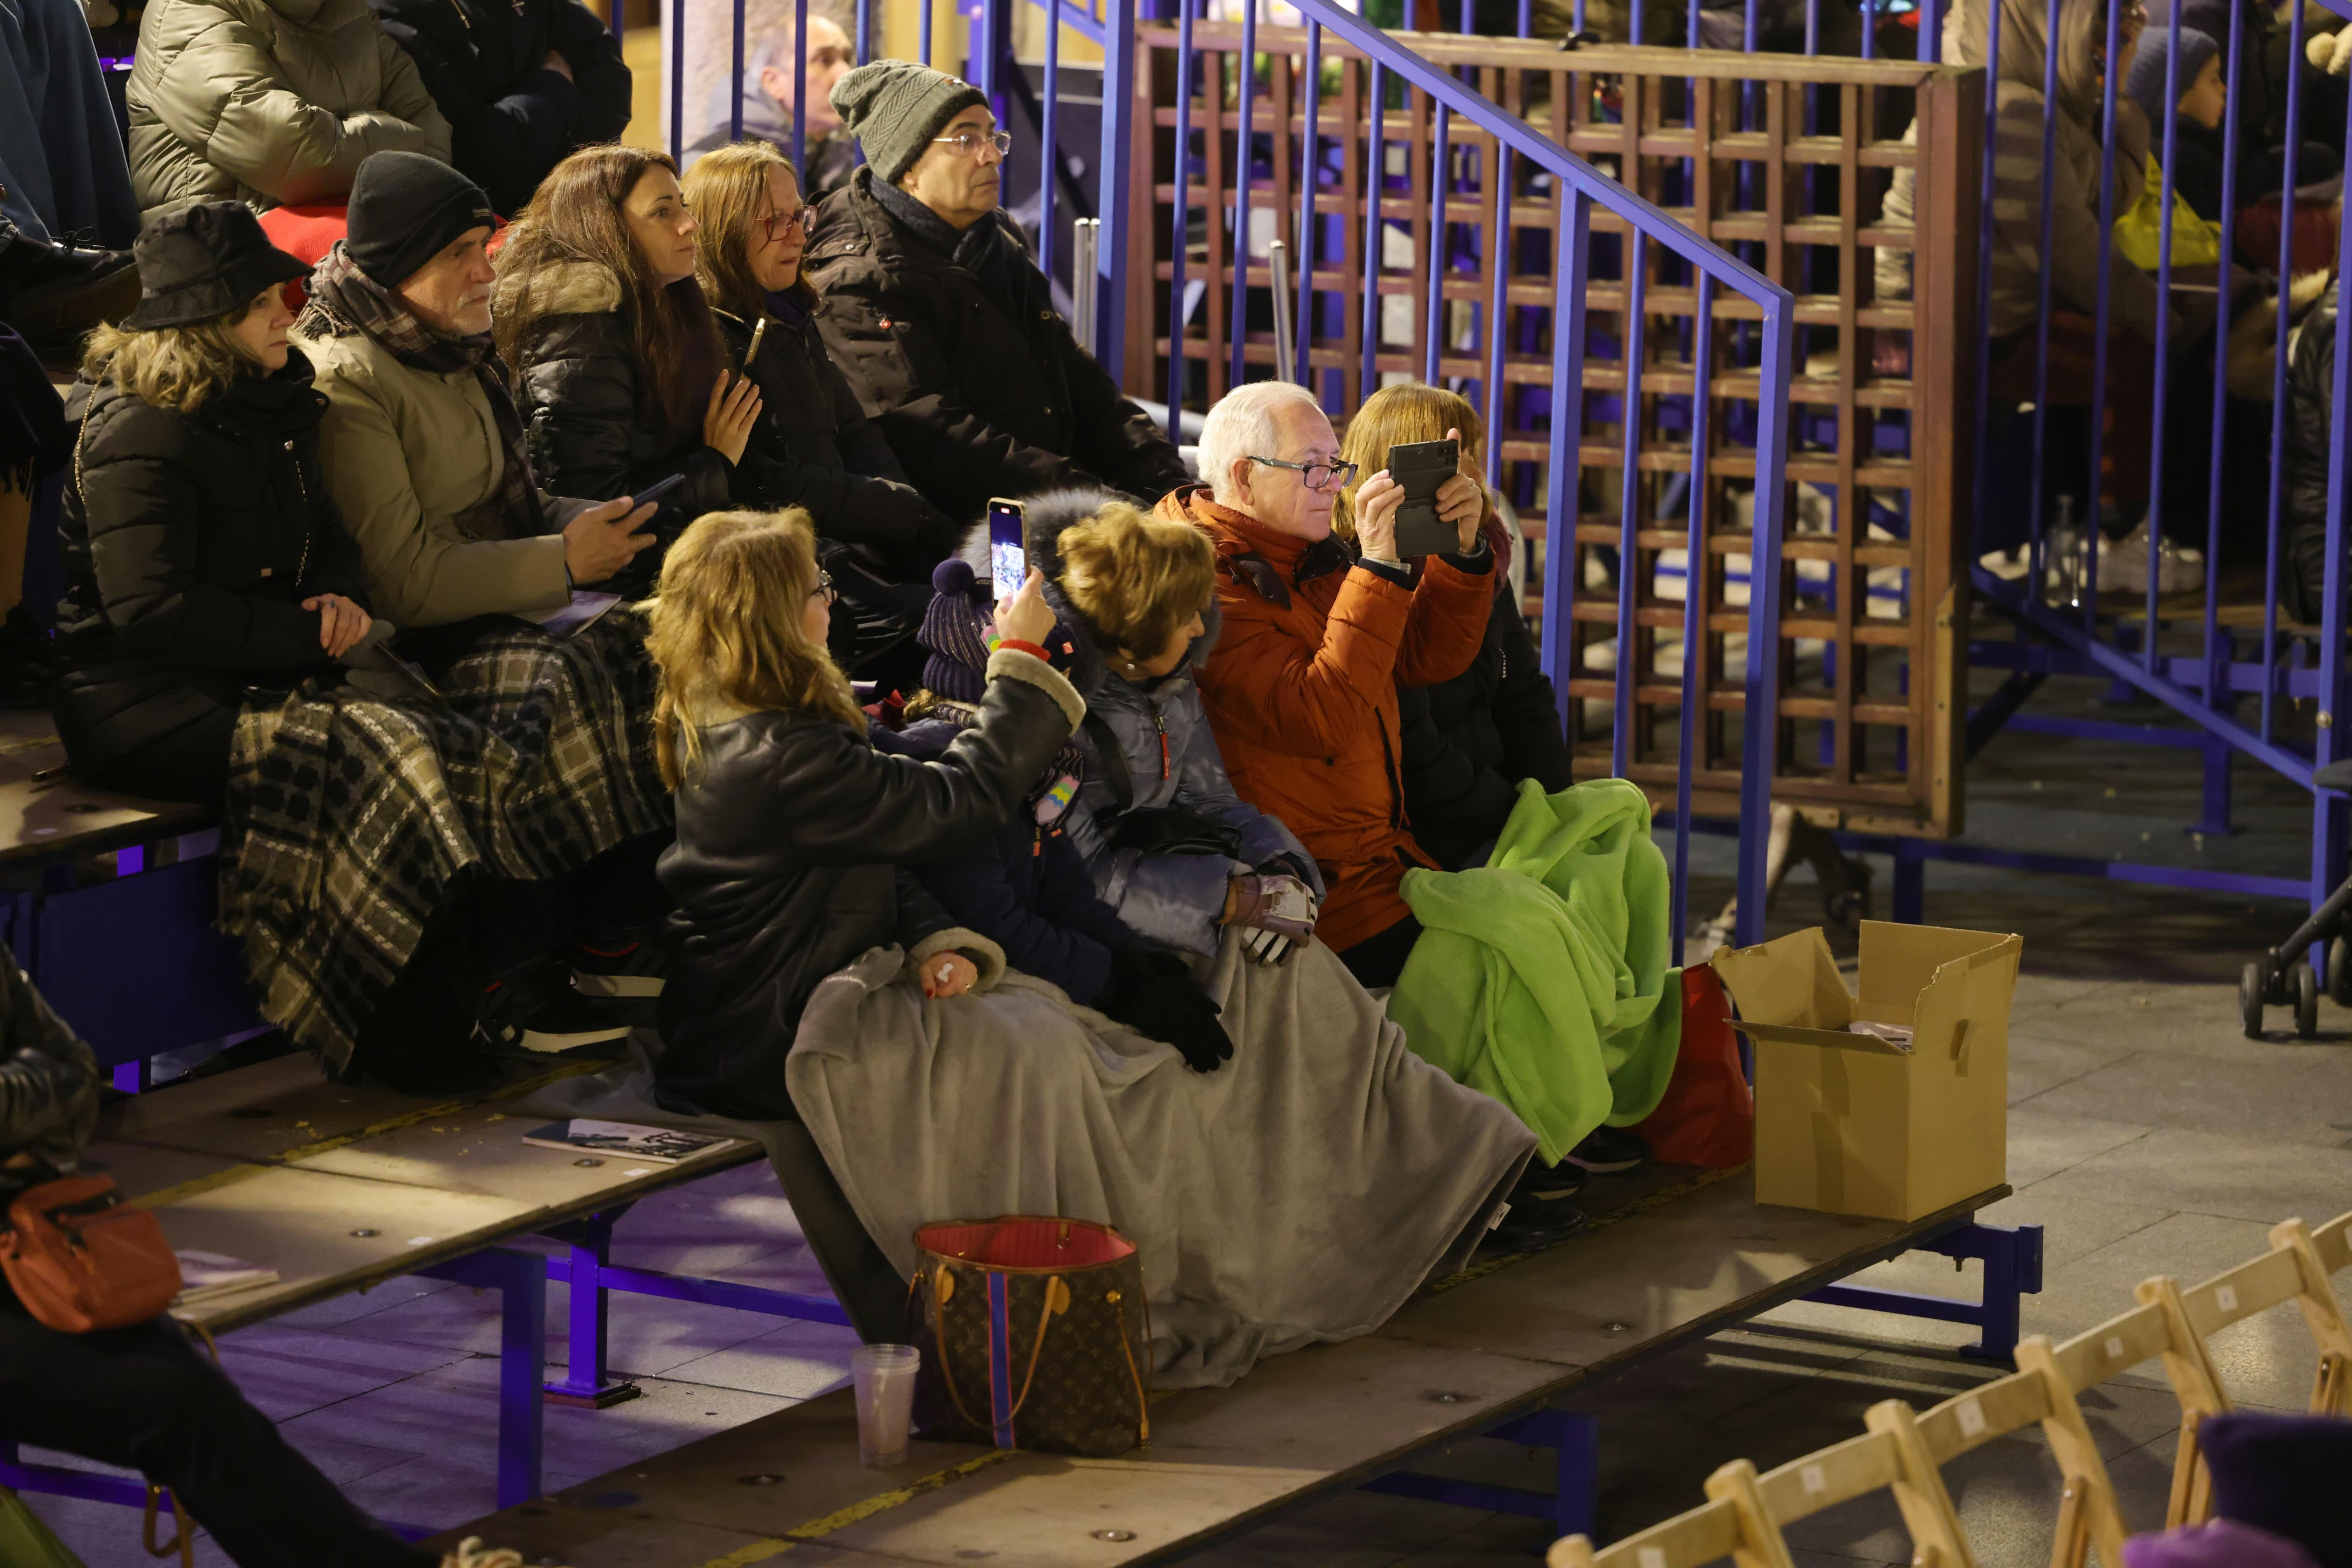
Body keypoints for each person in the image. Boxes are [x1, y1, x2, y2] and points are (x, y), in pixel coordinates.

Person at [645, 507, 1541, 1384]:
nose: (830, 600)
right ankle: (1065, 1305)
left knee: (1232, 991)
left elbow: (898, 861)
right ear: (767, 616)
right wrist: (1022, 670)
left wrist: (943, 941)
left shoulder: (801, 726)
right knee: (1046, 1051)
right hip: (778, 1029)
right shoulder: (774, 747)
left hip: (852, 975)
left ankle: (1423, 1177)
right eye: (816, 587)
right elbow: (957, 810)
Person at [0, 946, 543, 1568]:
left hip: (24, 1247)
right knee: (175, 1400)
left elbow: (74, 1077)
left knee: (186, 1397)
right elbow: (56, 1092)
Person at [1165, 380, 1492, 988]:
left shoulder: (1304, 552)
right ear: (1244, 477)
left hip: (1381, 860)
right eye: (1314, 469)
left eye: (1336, 465)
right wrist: (1380, 566)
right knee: (1513, 965)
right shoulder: (1200, 580)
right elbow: (1320, 715)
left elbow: (1424, 657)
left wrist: (1461, 553)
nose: (1336, 486)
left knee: (1571, 908)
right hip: (1311, 891)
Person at [53, 202, 376, 804]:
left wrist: (341, 596)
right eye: (261, 304)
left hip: (251, 675)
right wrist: (307, 634)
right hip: (141, 705)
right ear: (206, 322)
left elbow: (327, 532)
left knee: (449, 737)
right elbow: (153, 609)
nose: (288, 315)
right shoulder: (139, 429)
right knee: (379, 761)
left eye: (280, 294)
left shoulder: (269, 400)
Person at [804, 59, 1191, 525]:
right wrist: (1103, 504)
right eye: (966, 139)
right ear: (906, 166)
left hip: (1055, 496)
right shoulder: (859, 280)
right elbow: (937, 442)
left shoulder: (993, 241)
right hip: (958, 531)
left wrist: (1168, 486)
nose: (991, 155)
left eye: (992, 137)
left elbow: (1078, 382)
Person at [297, 152, 657, 629]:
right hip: (416, 635)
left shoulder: (444, 341)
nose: (486, 272)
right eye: (457, 252)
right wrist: (563, 561)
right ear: (400, 263)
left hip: (492, 602)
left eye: (482, 246)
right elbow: (398, 583)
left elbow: (505, 504)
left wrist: (615, 523)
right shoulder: (344, 379)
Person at [992, 489, 1324, 963]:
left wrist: (1280, 864)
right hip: (1065, 919)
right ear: (1134, 636)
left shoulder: (1166, 674)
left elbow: (1209, 798)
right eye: (1185, 615)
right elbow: (1074, 871)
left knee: (1290, 956)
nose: (1198, 627)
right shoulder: (1054, 703)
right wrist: (1235, 899)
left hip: (1152, 873)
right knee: (1257, 963)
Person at [681, 140, 962, 677]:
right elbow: (773, 481)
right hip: (799, 576)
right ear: (722, 229)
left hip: (856, 545)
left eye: (798, 216)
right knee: (963, 628)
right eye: (772, 222)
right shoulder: (717, 341)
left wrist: (910, 512)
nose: (796, 235)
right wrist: (902, 510)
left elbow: (857, 433)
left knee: (986, 592)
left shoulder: (793, 314)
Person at [1337, 384, 1571, 874]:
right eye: (1457, 459)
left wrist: (1555, 809)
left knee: (1618, 857)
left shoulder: (1476, 552)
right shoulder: (1360, 576)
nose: (1478, 476)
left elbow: (1524, 695)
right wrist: (1512, 818)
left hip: (1500, 809)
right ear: (1404, 471)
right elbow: (1414, 747)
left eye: (1474, 456)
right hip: (1428, 832)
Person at [495, 144, 763, 565]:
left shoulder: (661, 305)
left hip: (680, 547)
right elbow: (597, 512)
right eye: (662, 212)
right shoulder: (578, 336)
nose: (690, 225)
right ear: (604, 227)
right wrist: (714, 462)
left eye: (683, 207)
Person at [124, 0, 451, 225]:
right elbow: (296, 154)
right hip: (227, 256)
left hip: (360, 224)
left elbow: (429, 128)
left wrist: (368, 139)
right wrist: (403, 143)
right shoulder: (186, 11)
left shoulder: (349, 9)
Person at [368, 0, 632, 218]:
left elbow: (608, 79)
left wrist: (571, 172)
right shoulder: (391, 14)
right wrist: (557, 87)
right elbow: (472, 149)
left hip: (567, 206)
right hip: (475, 226)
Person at [681, 1, 857, 201]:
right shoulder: (714, 166)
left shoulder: (840, 163)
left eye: (847, 59)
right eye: (824, 60)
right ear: (773, 82)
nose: (846, 74)